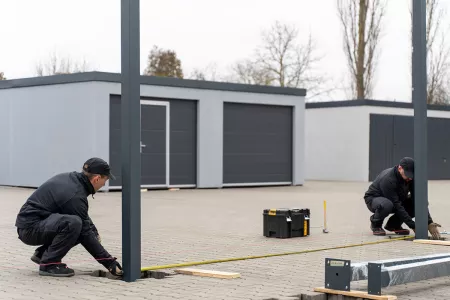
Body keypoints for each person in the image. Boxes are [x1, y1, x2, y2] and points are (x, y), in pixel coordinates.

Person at [15, 157, 123, 277]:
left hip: (35, 224)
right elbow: (85, 232)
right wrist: (110, 263)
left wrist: (94, 231)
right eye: (105, 180)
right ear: (97, 178)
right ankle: (49, 264)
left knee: (77, 225)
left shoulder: (73, 180)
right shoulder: (75, 194)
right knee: (74, 224)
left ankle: (43, 254)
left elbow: (82, 215)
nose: (104, 184)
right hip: (30, 229)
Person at [363, 157, 441, 239]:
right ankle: (376, 224)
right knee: (387, 205)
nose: (410, 178)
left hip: (395, 200)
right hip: (374, 199)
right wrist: (412, 225)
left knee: (413, 204)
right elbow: (397, 205)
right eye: (407, 175)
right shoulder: (388, 179)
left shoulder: (410, 178)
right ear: (400, 168)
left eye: (411, 175)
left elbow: (418, 199)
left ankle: (393, 225)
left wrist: (429, 222)